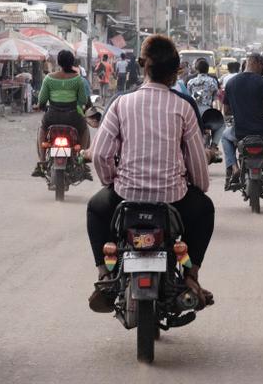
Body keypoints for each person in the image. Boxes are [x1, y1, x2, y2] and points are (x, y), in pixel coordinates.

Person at [86, 34, 214, 312]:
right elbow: (198, 167)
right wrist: (199, 187)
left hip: (124, 197)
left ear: (144, 66)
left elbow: (99, 154)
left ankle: (105, 275)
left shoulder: (121, 103)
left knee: (95, 210)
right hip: (174, 199)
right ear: (175, 72)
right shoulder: (183, 107)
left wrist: (112, 181)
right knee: (204, 209)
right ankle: (191, 277)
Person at [220, 53, 263, 182]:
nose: (262, 69)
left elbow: (226, 111)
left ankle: (234, 167)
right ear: (258, 63)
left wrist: (239, 109)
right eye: (262, 66)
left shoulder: (231, 83)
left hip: (240, 132)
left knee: (225, 136)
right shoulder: (262, 81)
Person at [33, 49, 93, 177]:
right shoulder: (78, 79)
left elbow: (42, 99)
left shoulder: (49, 78)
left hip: (52, 116)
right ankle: (81, 159)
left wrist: (39, 106)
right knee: (84, 129)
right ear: (72, 63)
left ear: (59, 62)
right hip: (73, 117)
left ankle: (42, 161)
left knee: (43, 128)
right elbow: (83, 99)